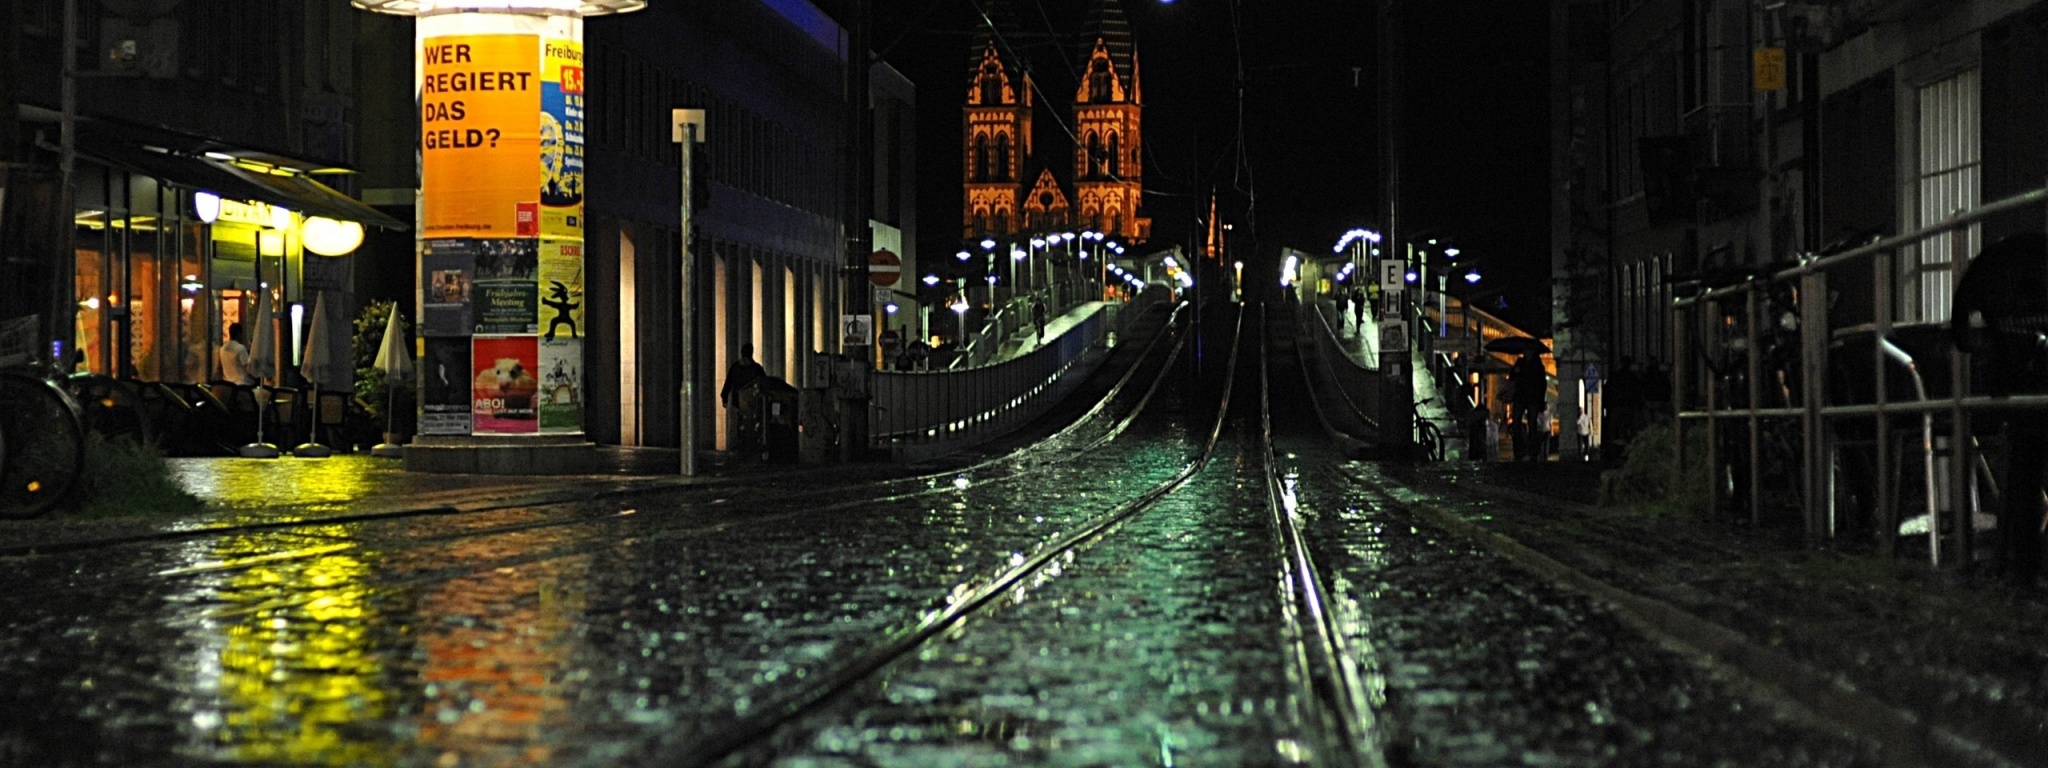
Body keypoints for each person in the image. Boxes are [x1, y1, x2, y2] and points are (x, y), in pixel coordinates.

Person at [1509, 350, 1548, 460]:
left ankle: (1530, 450)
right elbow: (1512, 377)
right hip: (1523, 396)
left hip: (1531, 397)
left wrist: (1540, 400)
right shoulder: (1522, 363)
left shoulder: (1536, 366)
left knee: (1531, 423)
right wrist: (1515, 372)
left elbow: (1542, 384)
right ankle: (1522, 449)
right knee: (1518, 421)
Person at [720, 343, 765, 408]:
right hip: (751, 402)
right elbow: (764, 382)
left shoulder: (735, 367)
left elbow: (728, 383)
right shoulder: (757, 368)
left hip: (738, 401)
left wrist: (725, 398)